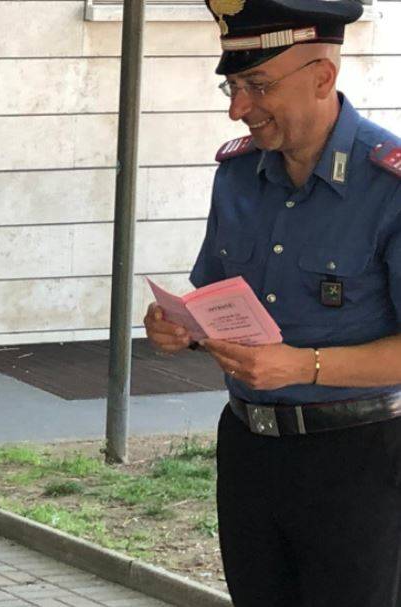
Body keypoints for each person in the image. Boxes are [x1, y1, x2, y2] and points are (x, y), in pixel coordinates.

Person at [144, 1, 401, 605]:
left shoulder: (387, 187)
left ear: (322, 77)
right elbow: (213, 296)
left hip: (360, 463)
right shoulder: (236, 175)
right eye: (232, 86)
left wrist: (303, 365)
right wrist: (180, 327)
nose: (238, 108)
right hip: (249, 449)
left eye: (258, 85)